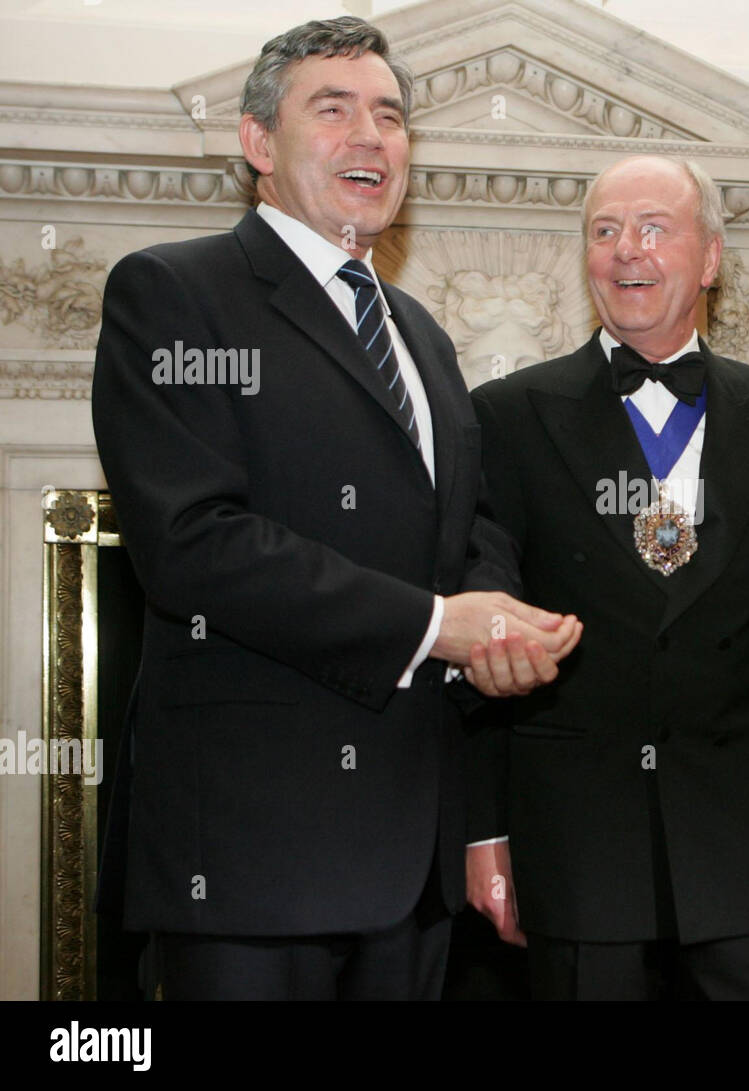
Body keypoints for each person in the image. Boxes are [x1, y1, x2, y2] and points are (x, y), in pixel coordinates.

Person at [91, 16, 579, 1001]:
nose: (372, 136)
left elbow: (466, 527)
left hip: (412, 868)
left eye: (391, 116)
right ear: (258, 143)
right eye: (335, 109)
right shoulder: (173, 293)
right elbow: (193, 543)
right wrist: (441, 625)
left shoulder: (422, 334)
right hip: (247, 866)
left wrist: (500, 626)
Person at [466, 155, 749, 1000]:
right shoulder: (508, 416)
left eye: (654, 229)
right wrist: (483, 833)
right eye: (605, 231)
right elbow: (488, 640)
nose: (627, 250)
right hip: (580, 842)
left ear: (710, 259)